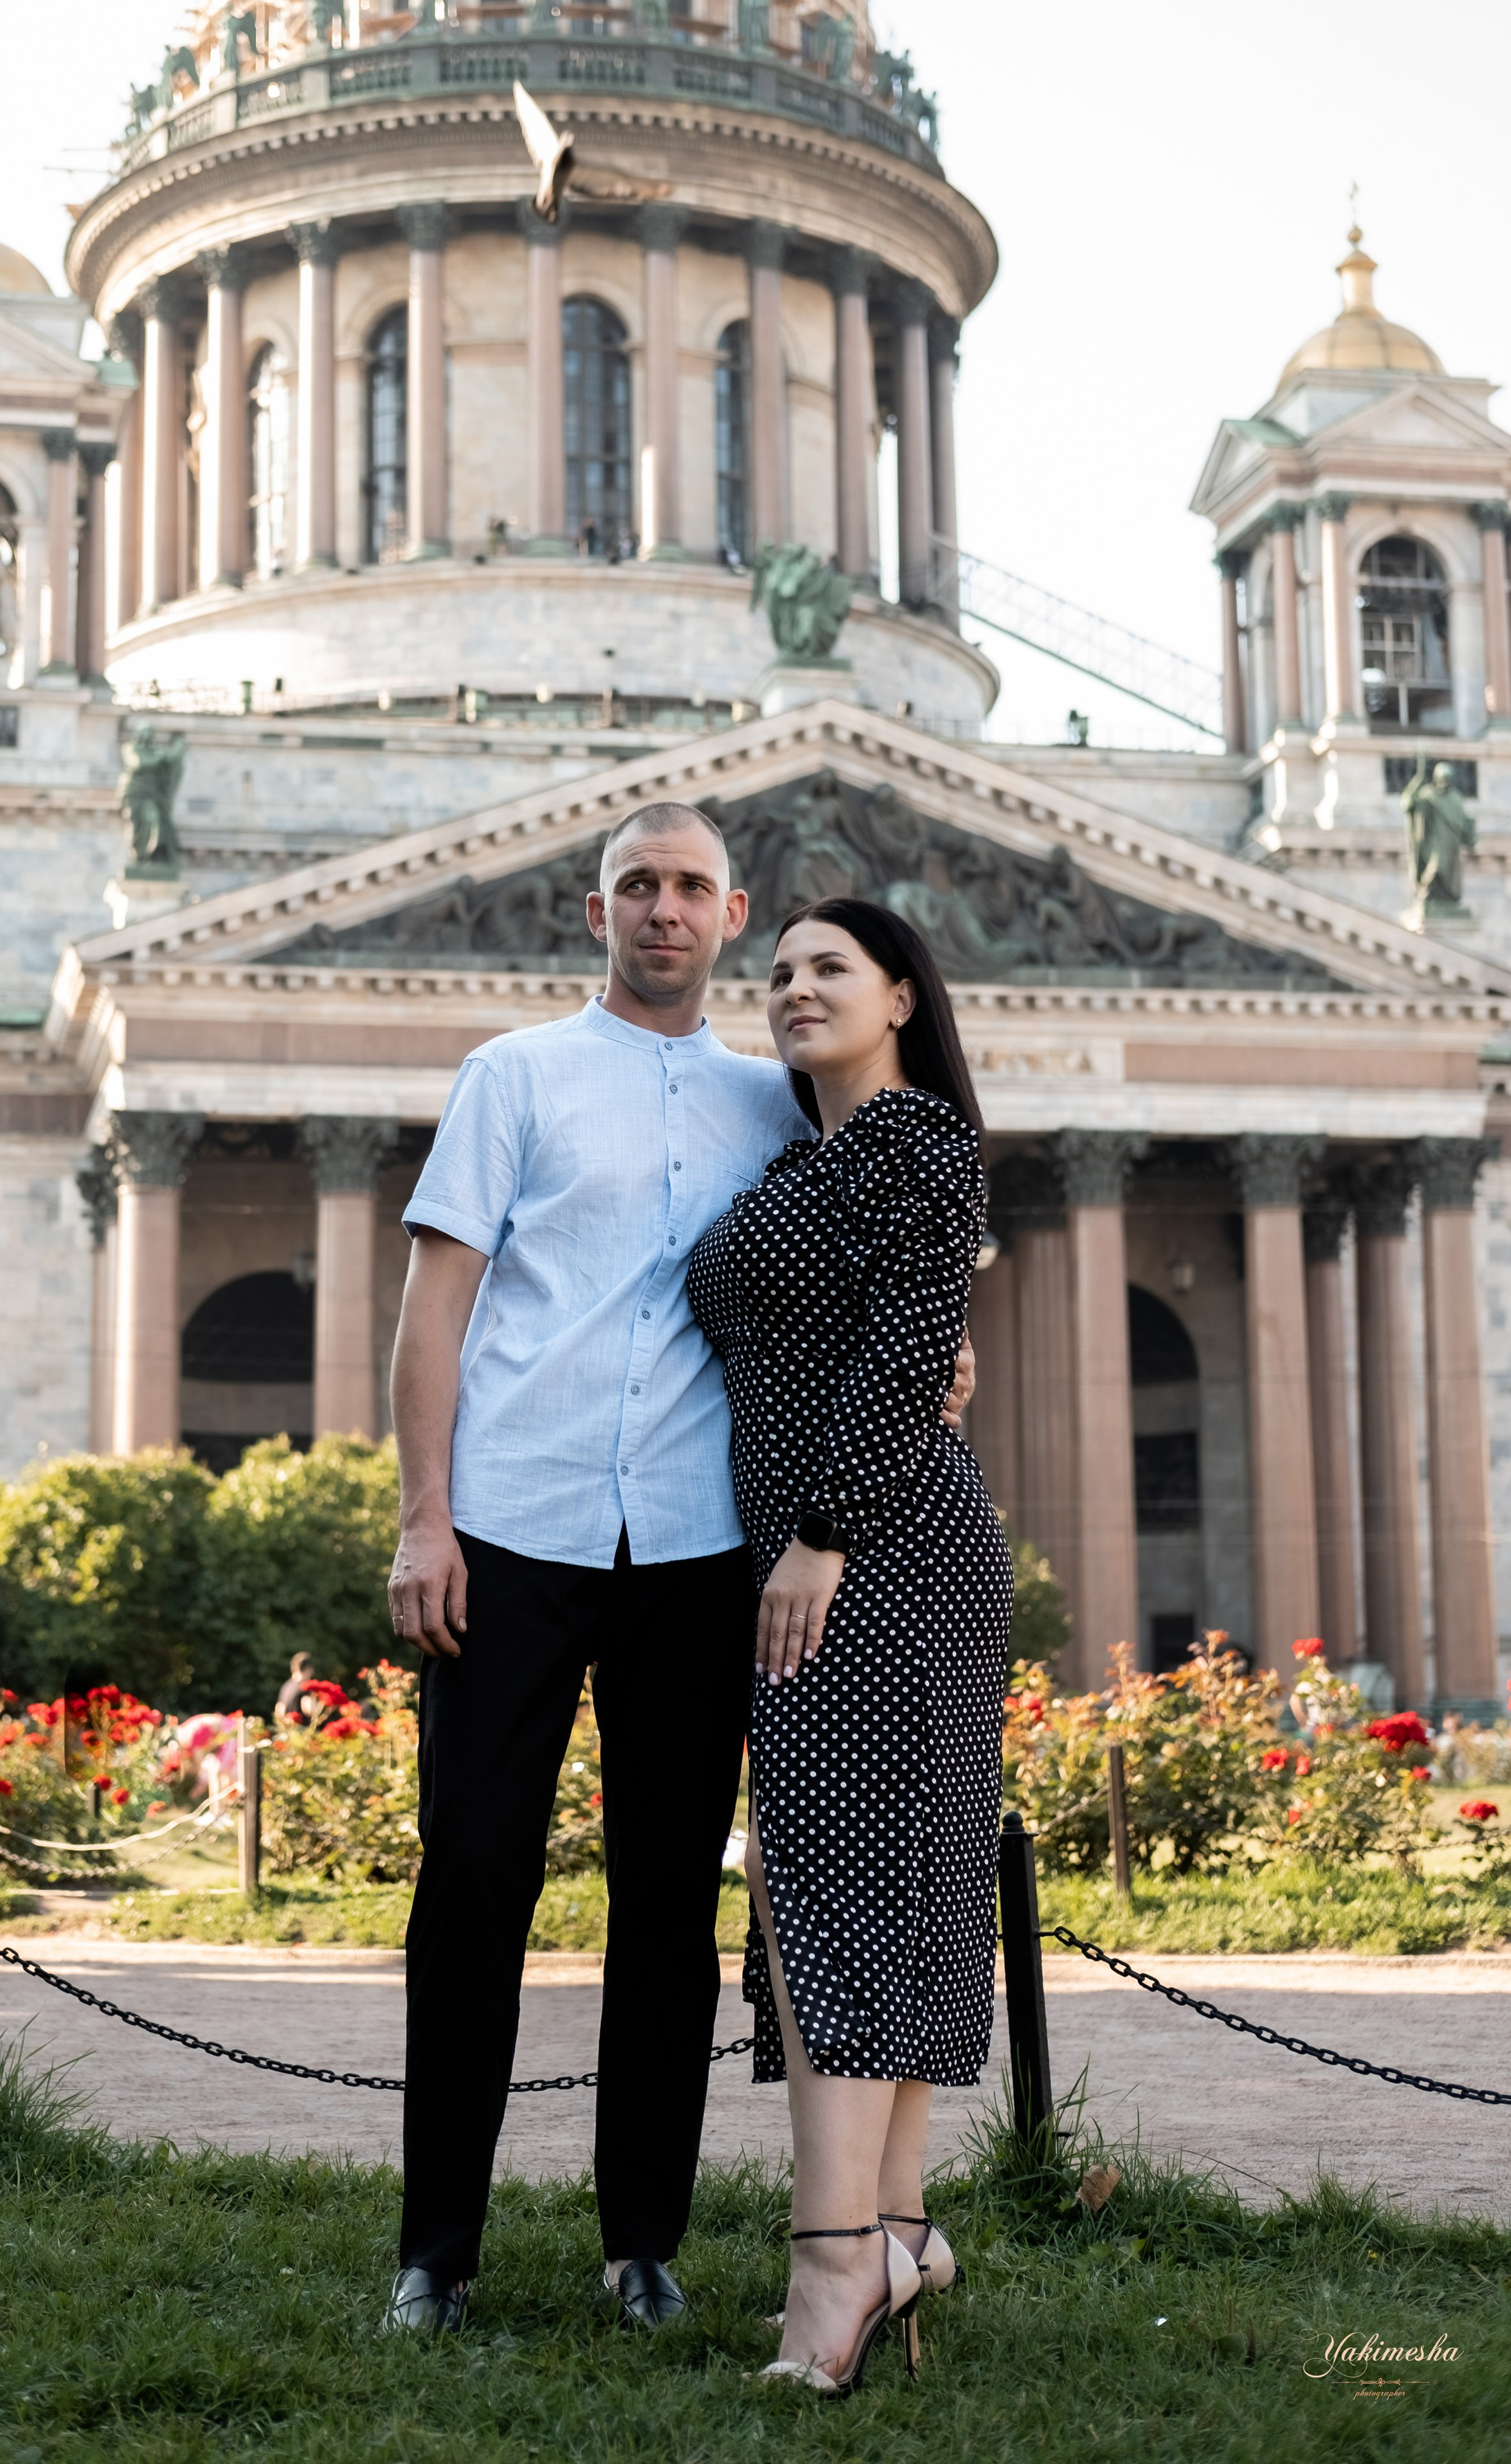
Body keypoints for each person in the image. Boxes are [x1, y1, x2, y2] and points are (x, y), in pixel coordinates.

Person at [382, 806, 972, 2336]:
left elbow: (884, 1252)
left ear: (731, 916)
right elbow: (433, 1307)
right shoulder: (509, 1075)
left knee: (666, 1909)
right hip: (512, 1526)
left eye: (691, 889)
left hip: (700, 1543)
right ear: (595, 913)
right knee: (472, 1892)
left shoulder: (776, 1105)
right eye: (637, 886)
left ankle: (639, 2241)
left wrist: (941, 1356)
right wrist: (420, 1518)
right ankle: (433, 2252)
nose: (663, 910)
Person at [687, 896, 1011, 2395]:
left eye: (827, 968)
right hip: (826, 1545)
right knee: (853, 1878)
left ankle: (833, 2273)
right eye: (779, 974)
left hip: (867, 1551)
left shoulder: (915, 1145)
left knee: (833, 1887)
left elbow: (898, 1354)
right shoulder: (803, 1159)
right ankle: (888, 2230)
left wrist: (820, 1531)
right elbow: (896, 1337)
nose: (793, 989)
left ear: (898, 992)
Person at [274, 1651, 315, 1725]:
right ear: (308, 1669)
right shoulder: (305, 1687)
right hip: (302, 1732)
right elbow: (309, 1709)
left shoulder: (286, 1686)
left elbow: (279, 1710)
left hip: (288, 1731)